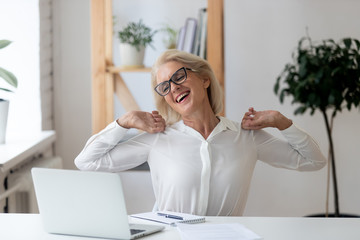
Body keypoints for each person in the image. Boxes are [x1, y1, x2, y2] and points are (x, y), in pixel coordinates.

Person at [75, 49, 326, 216]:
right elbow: (86, 161)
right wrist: (124, 121)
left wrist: (280, 121)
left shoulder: (246, 137)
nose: (174, 88)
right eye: (165, 86)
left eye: (179, 77)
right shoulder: (158, 140)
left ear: (204, 79)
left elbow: (314, 161)